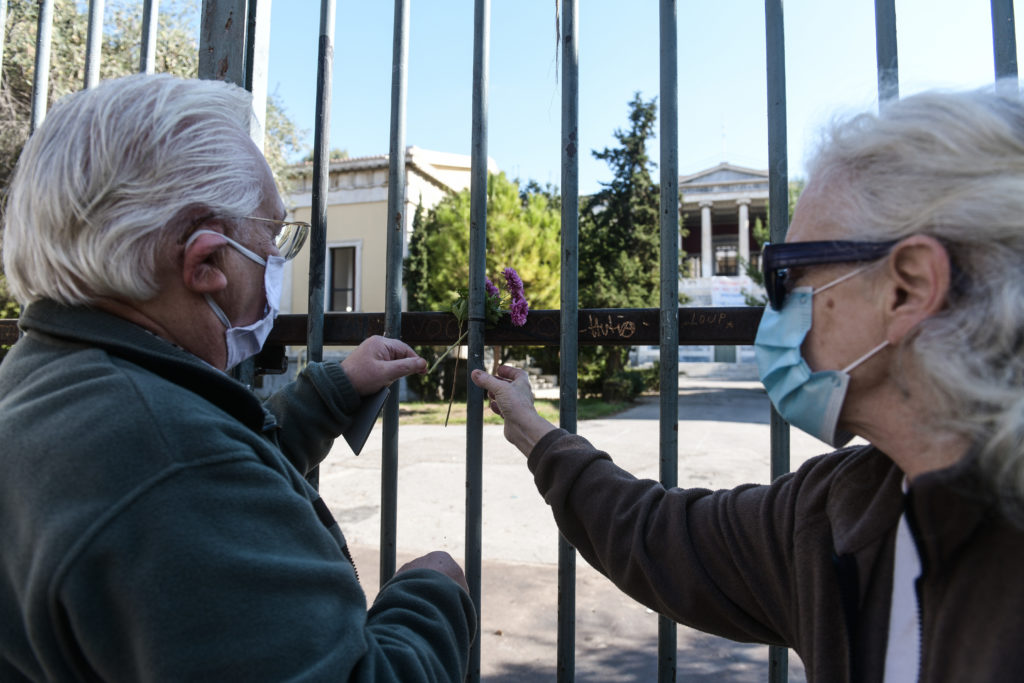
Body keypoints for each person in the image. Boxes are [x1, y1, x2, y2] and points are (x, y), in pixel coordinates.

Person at [472, 84, 1024, 682]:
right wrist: (530, 426)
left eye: (786, 274)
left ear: (906, 288)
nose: (771, 307)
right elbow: (655, 534)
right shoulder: (837, 513)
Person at [0, 74, 474, 681]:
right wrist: (432, 594)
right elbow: (189, 479)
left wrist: (327, 394)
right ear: (205, 262)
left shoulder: (54, 377)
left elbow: (209, 473)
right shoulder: (166, 463)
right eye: (273, 236)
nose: (278, 259)